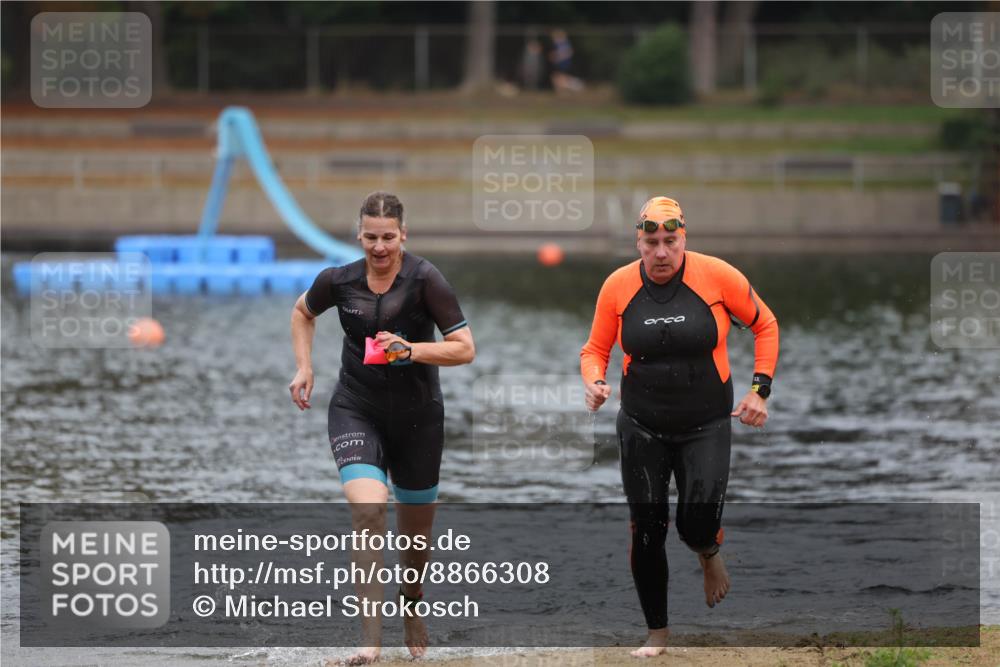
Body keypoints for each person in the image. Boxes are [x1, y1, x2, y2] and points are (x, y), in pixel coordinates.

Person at [580, 196, 779, 658]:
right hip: (641, 425)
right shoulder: (618, 286)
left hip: (706, 423)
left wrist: (759, 390)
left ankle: (708, 551)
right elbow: (594, 350)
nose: (662, 253)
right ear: (639, 242)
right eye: (652, 243)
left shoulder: (718, 276)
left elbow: (765, 324)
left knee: (695, 523)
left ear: (684, 237)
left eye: (671, 241)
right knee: (647, 529)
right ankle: (658, 635)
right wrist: (593, 383)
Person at [289, 191, 475, 665]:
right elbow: (301, 313)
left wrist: (411, 349)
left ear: (403, 235)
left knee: (415, 539)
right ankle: (369, 643)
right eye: (370, 237)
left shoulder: (425, 280)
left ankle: (411, 605)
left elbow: (464, 348)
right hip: (356, 407)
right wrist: (304, 367)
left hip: (419, 417)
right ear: (359, 235)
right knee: (368, 512)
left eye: (388, 237)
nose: (379, 247)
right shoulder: (338, 280)